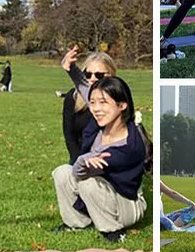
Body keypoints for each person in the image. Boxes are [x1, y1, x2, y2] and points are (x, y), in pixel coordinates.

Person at [51, 77, 148, 243]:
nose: (96, 109)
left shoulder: (129, 146)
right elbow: (85, 89)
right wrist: (70, 69)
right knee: (61, 172)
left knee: (88, 181)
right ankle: (75, 223)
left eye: (103, 103)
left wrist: (83, 160)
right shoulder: (99, 125)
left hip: (127, 205)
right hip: (102, 192)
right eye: (92, 103)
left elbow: (81, 172)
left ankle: (113, 231)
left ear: (122, 105)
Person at [59, 46, 116, 164]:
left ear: (111, 75)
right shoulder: (72, 98)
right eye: (88, 75)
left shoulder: (117, 99)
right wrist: (79, 162)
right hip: (80, 159)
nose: (93, 78)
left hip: (108, 161)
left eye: (99, 75)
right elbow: (69, 136)